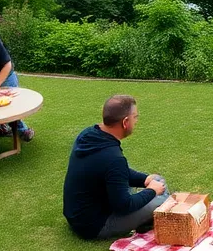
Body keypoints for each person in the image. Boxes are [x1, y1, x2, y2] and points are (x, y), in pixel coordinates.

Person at [63, 95, 167, 240]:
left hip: (76, 215)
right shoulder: (113, 158)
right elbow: (124, 205)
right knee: (163, 197)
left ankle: (145, 219)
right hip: (95, 225)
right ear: (125, 122)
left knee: (156, 179)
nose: (136, 121)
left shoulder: (88, 134)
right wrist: (151, 191)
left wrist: (145, 180)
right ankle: (148, 220)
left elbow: (116, 173)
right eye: (135, 117)